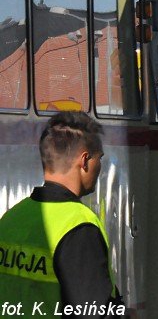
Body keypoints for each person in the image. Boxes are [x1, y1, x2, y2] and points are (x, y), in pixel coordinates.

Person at [0, 112, 123, 317]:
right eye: (99, 158)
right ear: (84, 161)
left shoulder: (12, 218)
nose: (99, 167)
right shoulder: (79, 226)